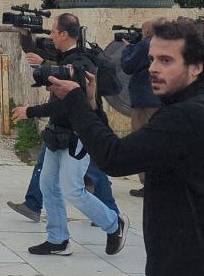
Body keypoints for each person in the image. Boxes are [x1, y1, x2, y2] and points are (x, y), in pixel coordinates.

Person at [43, 18, 204, 276]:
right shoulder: (200, 108)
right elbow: (119, 150)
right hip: (200, 274)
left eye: (166, 60)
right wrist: (89, 105)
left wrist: (75, 100)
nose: (152, 67)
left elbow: (115, 159)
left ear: (196, 67)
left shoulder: (187, 117)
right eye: (152, 59)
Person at [11, 13, 126, 256]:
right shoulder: (66, 59)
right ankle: (58, 239)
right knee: (47, 184)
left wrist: (30, 111)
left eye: (54, 32)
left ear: (64, 34)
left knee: (73, 189)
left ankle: (114, 223)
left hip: (76, 136)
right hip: (58, 133)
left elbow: (70, 104)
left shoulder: (80, 63)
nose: (51, 36)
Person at [121, 19, 161, 196]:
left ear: (146, 31)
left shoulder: (146, 44)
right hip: (160, 99)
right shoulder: (164, 42)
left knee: (142, 141)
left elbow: (128, 66)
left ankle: (149, 184)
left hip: (144, 102)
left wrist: (128, 47)